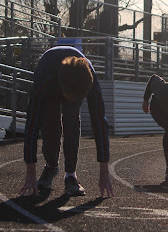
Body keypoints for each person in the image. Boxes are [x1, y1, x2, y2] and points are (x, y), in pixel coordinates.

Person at [19, 46, 114, 197]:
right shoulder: (46, 82)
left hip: (70, 79)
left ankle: (71, 175)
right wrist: (30, 172)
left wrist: (104, 171)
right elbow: (32, 123)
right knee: (50, 124)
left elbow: (100, 123)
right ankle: (50, 166)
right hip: (50, 73)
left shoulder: (90, 80)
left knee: (72, 119)